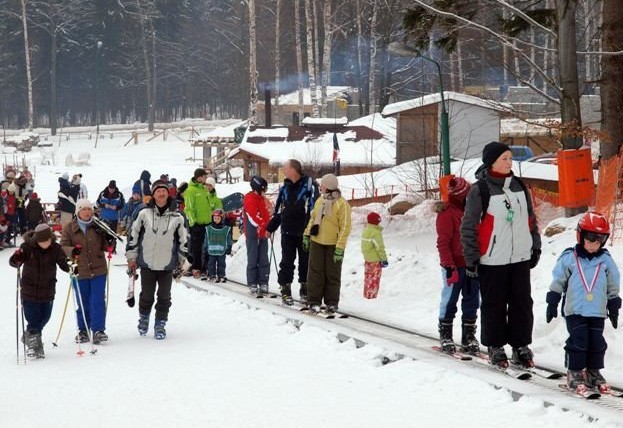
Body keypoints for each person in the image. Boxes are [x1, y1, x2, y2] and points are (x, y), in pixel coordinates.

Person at [460, 141, 541, 368]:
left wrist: (535, 245)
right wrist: (472, 258)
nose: (509, 162)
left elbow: (531, 220)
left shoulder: (519, 186)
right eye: (504, 158)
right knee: (494, 304)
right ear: (492, 162)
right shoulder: (480, 190)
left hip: (520, 258)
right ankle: (495, 346)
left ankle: (520, 345)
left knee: (522, 303)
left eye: (509, 158)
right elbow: (468, 226)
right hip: (492, 259)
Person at [546, 212, 621, 394]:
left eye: (600, 239)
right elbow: (558, 281)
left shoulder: (606, 261)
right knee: (579, 342)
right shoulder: (569, 258)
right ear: (580, 235)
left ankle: (593, 372)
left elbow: (613, 284)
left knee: (597, 343)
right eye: (590, 237)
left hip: (597, 311)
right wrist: (553, 301)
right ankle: (575, 372)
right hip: (575, 310)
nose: (594, 243)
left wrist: (613, 305)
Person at [126, 180, 190, 340]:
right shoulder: (143, 212)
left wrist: (183, 260)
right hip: (147, 262)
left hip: (167, 264)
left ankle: (160, 323)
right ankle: (144, 318)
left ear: (168, 193)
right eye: (158, 191)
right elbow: (133, 235)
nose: (161, 194)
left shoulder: (178, 215)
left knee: (164, 296)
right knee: (147, 295)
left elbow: (184, 239)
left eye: (164, 191)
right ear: (153, 194)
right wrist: (131, 257)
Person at [9, 224, 70, 358]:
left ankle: (30, 337)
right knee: (33, 319)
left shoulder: (55, 248)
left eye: (47, 241)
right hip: (29, 290)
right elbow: (14, 262)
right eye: (42, 242)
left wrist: (71, 267)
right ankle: (34, 346)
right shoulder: (27, 247)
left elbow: (63, 262)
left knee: (45, 317)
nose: (45, 244)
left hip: (48, 289)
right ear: (36, 239)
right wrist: (16, 258)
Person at [436, 177, 480, 354]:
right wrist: (448, 266)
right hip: (454, 265)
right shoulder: (447, 213)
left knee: (472, 300)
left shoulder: (472, 212)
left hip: (471, 264)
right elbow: (443, 242)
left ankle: (468, 335)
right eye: (467, 194)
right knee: (450, 300)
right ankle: (445, 333)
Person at [60, 199, 114, 344]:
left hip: (98, 269)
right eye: (83, 209)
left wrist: (109, 239)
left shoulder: (98, 226)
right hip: (79, 270)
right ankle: (83, 330)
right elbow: (63, 246)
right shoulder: (69, 228)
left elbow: (108, 246)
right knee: (83, 302)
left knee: (97, 301)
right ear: (78, 211)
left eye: (89, 209)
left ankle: (98, 330)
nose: (87, 212)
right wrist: (72, 251)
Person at [266, 159, 318, 305]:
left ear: (293, 169)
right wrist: (271, 227)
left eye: (285, 167)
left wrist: (315, 227)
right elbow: (278, 211)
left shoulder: (310, 186)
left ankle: (305, 290)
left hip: (304, 232)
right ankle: (285, 289)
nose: (283, 170)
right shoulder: (284, 188)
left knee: (305, 263)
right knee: (287, 262)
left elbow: (315, 209)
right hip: (287, 231)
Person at [303, 174, 352, 315]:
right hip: (317, 241)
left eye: (322, 185)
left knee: (332, 274)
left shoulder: (342, 204)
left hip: (333, 245)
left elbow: (345, 227)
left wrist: (340, 248)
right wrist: (307, 235)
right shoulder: (320, 201)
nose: (320, 187)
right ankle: (314, 301)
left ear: (328, 186)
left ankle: (331, 302)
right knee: (315, 273)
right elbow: (313, 220)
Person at [243, 176, 271, 295]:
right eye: (264, 189)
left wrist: (270, 225)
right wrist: (264, 224)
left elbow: (266, 213)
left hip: (263, 233)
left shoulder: (261, 198)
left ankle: (263, 281)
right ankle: (252, 282)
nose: (265, 192)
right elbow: (253, 217)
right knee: (253, 258)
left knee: (263, 258)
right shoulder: (249, 198)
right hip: (252, 233)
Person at [184, 168, 213, 278]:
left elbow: (208, 205)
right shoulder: (190, 190)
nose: (206, 178)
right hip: (197, 224)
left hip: (208, 223)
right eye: (205, 176)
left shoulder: (204, 189)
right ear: (199, 177)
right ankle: (196, 267)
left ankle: (205, 267)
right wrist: (193, 223)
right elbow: (189, 208)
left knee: (206, 247)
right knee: (197, 248)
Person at [360, 211, 388, 300]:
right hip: (375, 260)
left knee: (368, 277)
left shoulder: (366, 230)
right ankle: (372, 297)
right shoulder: (376, 233)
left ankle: (366, 295)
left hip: (367, 259)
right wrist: (384, 259)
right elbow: (380, 247)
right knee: (374, 279)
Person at [203, 209, 232, 282]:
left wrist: (229, 246)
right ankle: (211, 274)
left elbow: (228, 238)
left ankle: (221, 275)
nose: (216, 220)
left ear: (222, 219)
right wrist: (205, 247)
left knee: (221, 263)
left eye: (218, 218)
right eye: (214, 218)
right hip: (211, 250)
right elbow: (207, 239)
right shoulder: (209, 228)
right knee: (211, 264)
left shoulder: (225, 229)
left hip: (221, 250)